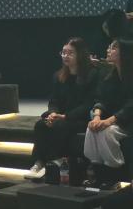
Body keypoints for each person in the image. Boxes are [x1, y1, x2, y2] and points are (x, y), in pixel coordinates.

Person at [24, 38, 101, 180]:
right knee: (41, 124)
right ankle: (38, 162)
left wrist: (65, 116)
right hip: (61, 116)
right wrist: (53, 113)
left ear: (80, 54)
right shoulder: (59, 75)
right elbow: (54, 100)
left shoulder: (92, 74)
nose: (65, 56)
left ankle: (50, 161)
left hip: (80, 118)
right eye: (63, 52)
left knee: (59, 125)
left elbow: (89, 104)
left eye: (70, 53)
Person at [84, 38, 133, 189]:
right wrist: (97, 117)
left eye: (113, 48)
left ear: (124, 53)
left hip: (128, 120)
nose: (108, 51)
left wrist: (109, 121)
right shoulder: (110, 75)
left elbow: (130, 106)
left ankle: (113, 175)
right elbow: (102, 99)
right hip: (115, 119)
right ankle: (98, 173)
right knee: (92, 129)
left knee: (108, 132)